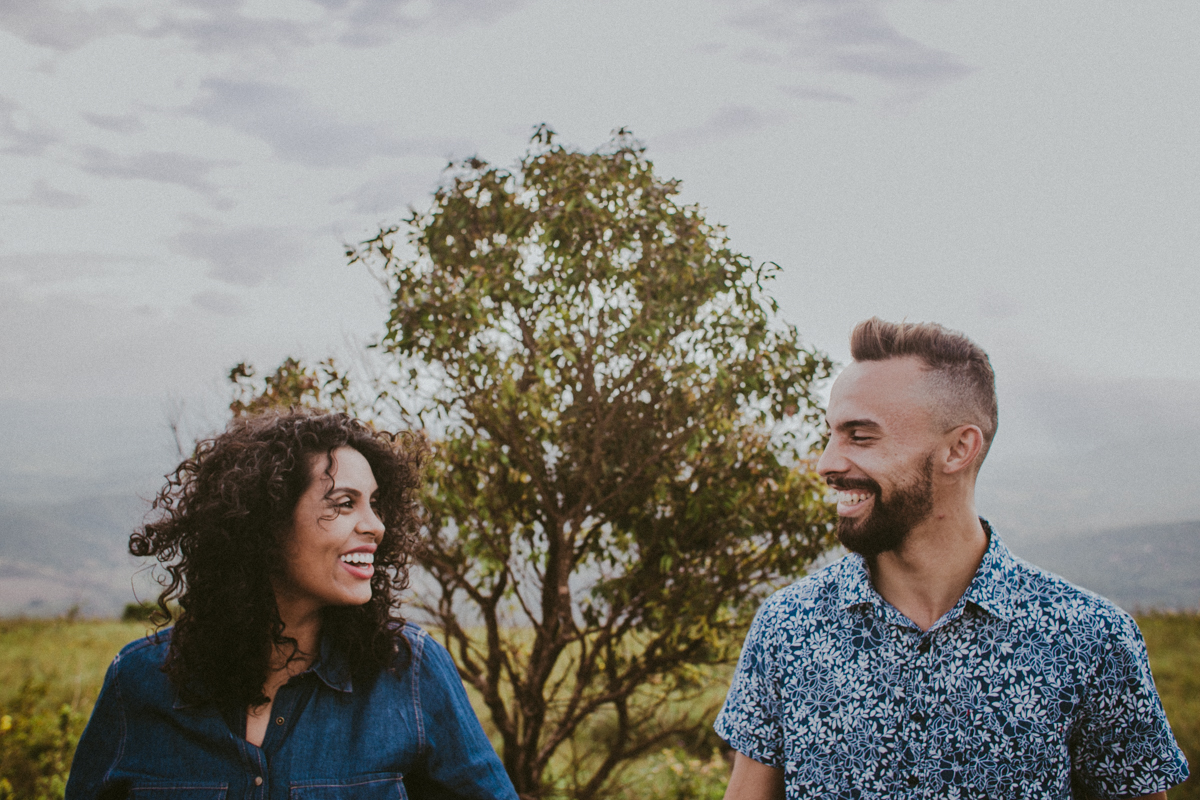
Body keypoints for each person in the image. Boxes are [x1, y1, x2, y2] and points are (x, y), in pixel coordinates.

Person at [715, 318, 1189, 800]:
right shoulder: (787, 628)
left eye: (860, 436)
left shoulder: (1089, 640)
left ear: (959, 448)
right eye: (831, 434)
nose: (826, 463)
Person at [66, 411, 518, 800]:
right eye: (345, 504)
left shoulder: (410, 673)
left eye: (375, 504)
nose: (376, 526)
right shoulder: (140, 682)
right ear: (266, 522)